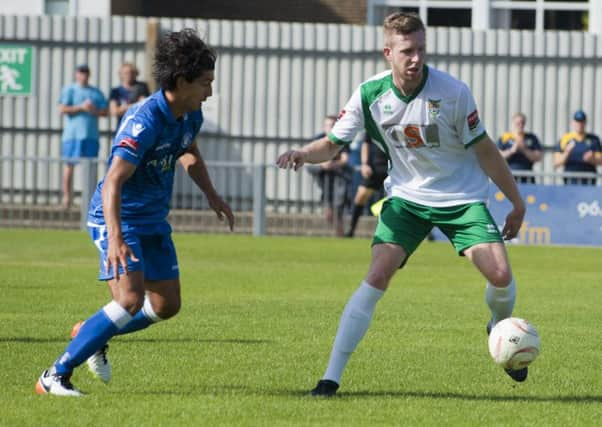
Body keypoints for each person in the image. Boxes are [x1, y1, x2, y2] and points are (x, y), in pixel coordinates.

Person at [277, 12, 527, 397]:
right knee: (377, 275)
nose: (416, 59)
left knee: (500, 275)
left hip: (460, 198)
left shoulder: (453, 92)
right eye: (407, 51)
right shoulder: (369, 94)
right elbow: (331, 144)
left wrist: (516, 202)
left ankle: (498, 326)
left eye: (421, 50)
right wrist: (302, 153)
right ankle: (330, 379)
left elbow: (486, 150)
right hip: (407, 199)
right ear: (387, 53)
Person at [36, 29, 234, 397]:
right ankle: (54, 376)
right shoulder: (143, 121)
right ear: (181, 80)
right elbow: (112, 181)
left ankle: (91, 333)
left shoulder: (190, 116)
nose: (209, 91)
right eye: (205, 83)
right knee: (129, 299)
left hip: (153, 220)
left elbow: (187, 151)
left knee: (166, 305)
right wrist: (114, 236)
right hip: (118, 217)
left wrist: (211, 194)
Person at [58, 64, 108, 209]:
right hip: (72, 135)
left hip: (91, 135)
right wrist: (81, 107)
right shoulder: (70, 90)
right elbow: (62, 108)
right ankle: (67, 198)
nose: (83, 75)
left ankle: (89, 200)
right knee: (69, 166)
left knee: (90, 168)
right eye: (81, 72)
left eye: (86, 72)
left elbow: (105, 112)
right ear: (76, 74)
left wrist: (94, 110)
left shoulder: (96, 92)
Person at [307, 115, 352, 237]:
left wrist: (334, 164)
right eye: (328, 125)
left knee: (338, 209)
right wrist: (322, 166)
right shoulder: (317, 140)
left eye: (333, 125)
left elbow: (345, 159)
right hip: (324, 182)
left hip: (340, 180)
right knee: (330, 212)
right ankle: (341, 234)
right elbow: (309, 160)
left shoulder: (341, 139)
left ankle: (341, 235)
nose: (330, 128)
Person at [345, 134, 388, 237]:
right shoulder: (374, 121)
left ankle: (428, 234)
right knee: (361, 196)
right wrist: (364, 164)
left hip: (394, 168)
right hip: (375, 167)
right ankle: (351, 229)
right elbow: (366, 143)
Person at [554, 110, 602, 185]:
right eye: (577, 122)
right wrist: (567, 153)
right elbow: (556, 163)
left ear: (585, 123)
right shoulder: (565, 139)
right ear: (573, 122)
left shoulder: (594, 139)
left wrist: (592, 159)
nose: (580, 124)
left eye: (582, 122)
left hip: (589, 182)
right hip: (570, 182)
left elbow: (600, 160)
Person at [497, 112, 543, 184]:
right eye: (518, 123)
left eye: (522, 123)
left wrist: (524, 149)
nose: (520, 125)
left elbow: (538, 157)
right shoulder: (504, 138)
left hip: (527, 178)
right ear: (513, 123)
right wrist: (511, 151)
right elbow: (498, 156)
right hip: (509, 176)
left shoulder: (531, 138)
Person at [109, 62, 150, 130]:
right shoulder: (115, 91)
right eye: (126, 73)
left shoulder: (142, 87)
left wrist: (124, 108)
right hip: (122, 128)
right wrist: (134, 106)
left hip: (138, 127)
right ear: (121, 74)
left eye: (131, 72)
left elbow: (143, 106)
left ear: (136, 74)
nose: (129, 75)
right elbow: (114, 111)